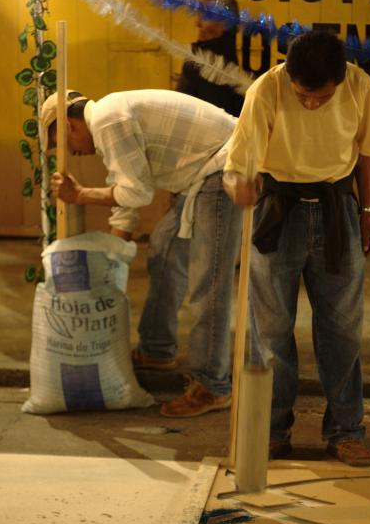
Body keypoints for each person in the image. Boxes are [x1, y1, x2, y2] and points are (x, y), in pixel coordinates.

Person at [223, 30, 370, 466]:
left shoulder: (358, 85)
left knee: (343, 328)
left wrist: (368, 209)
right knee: (270, 330)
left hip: (337, 208)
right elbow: (237, 165)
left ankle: (346, 430)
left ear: (339, 78)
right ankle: (272, 430)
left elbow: (367, 150)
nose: (310, 104)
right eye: (303, 96)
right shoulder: (266, 88)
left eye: (321, 98)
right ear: (289, 77)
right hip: (279, 209)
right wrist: (236, 184)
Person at [42, 88, 242, 417]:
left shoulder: (108, 120)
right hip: (204, 176)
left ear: (68, 124)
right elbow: (126, 198)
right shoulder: (109, 116)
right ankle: (157, 350)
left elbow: (135, 193)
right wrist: (109, 261)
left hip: (226, 168)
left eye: (60, 143)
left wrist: (80, 195)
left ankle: (213, 386)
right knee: (163, 248)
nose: (69, 153)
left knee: (209, 281)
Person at [133, 0, 245, 372]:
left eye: (208, 18)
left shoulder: (208, 64)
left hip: (211, 176)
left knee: (203, 277)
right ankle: (159, 348)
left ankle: (205, 375)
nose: (199, 23)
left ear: (227, 24)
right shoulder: (218, 63)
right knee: (169, 253)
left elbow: (189, 115)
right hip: (202, 175)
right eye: (199, 16)